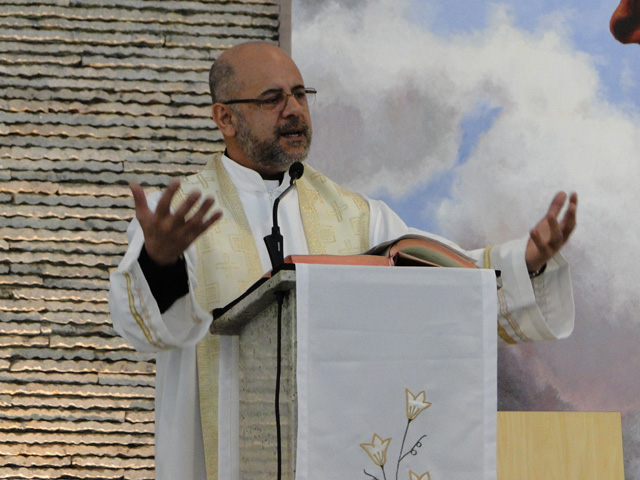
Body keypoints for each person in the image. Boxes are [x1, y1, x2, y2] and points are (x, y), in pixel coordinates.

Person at [108, 41, 578, 480]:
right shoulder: (177, 217)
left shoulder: (354, 215)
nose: (294, 109)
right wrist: (160, 264)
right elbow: (146, 330)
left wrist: (525, 263)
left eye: (300, 94)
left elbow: (440, 276)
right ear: (225, 117)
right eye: (272, 99)